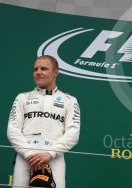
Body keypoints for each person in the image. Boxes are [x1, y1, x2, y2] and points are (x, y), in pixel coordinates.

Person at [7, 55, 81, 188]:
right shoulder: (22, 98)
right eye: (35, 69)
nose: (38, 72)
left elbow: (73, 134)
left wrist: (50, 153)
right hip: (25, 159)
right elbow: (12, 130)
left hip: (54, 159)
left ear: (55, 73)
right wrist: (29, 155)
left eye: (44, 69)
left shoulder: (69, 100)